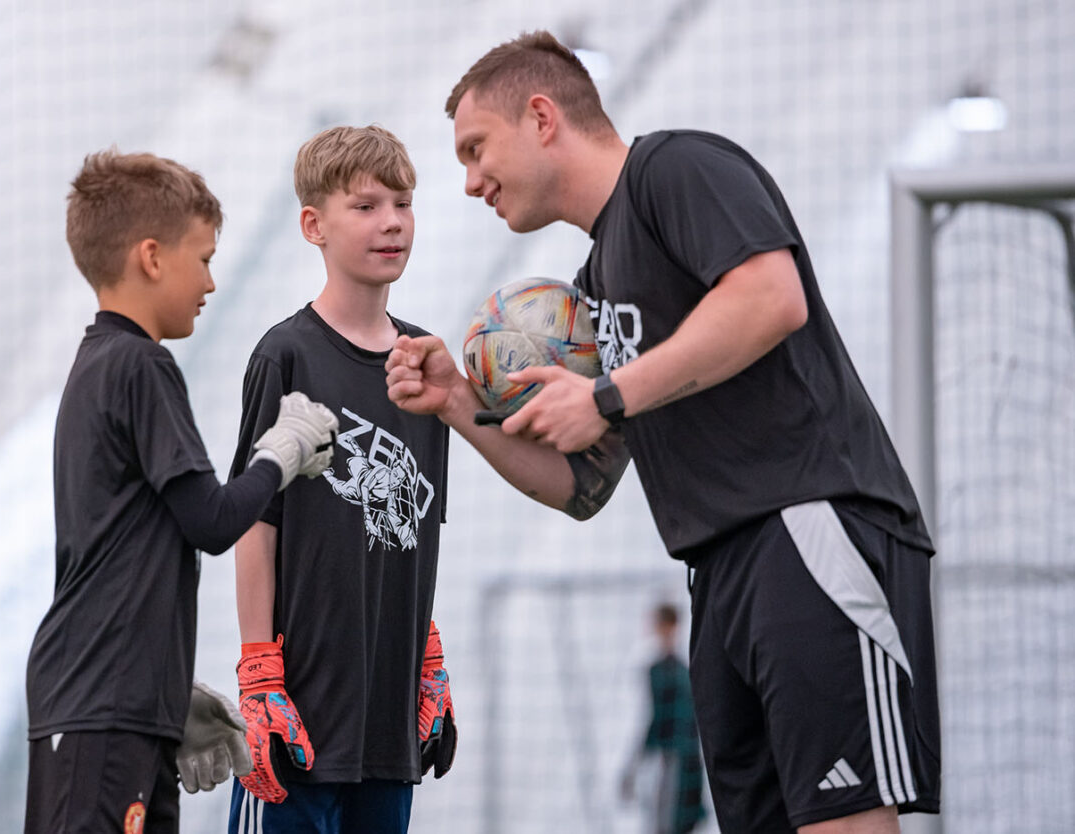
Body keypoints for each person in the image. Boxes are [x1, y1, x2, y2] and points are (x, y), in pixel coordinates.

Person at [385, 30, 939, 833]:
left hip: (804, 525)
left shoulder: (676, 168)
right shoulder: (597, 280)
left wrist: (606, 396)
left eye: (476, 149)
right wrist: (456, 405)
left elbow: (771, 296)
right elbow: (582, 487)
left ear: (541, 117)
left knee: (844, 819)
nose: (470, 182)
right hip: (718, 571)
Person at [25, 149, 339, 834]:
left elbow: (122, 556)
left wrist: (164, 695)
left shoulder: (98, 365)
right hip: (103, 707)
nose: (212, 281)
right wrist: (281, 452)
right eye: (202, 258)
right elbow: (212, 521)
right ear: (151, 257)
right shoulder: (142, 366)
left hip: (118, 703)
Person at [227, 125, 456, 834]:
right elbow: (255, 526)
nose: (392, 222)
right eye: (365, 206)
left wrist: (426, 649)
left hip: (389, 728)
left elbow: (411, 532)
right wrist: (259, 671)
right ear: (313, 225)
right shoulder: (286, 355)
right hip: (299, 719)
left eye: (403, 203)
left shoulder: (425, 366)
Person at [620, 604, 706, 834]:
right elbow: (651, 719)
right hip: (666, 759)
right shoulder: (657, 669)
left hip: (682, 761)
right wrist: (634, 767)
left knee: (674, 822)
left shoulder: (683, 670)